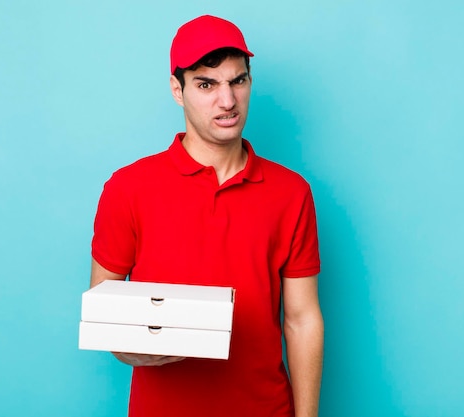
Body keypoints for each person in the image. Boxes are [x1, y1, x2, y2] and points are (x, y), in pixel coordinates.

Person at [90, 14, 324, 417]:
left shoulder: (291, 193)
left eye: (238, 81)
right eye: (206, 84)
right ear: (177, 90)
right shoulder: (128, 188)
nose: (228, 101)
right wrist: (133, 349)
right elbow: (104, 309)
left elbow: (302, 320)